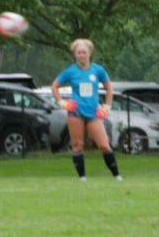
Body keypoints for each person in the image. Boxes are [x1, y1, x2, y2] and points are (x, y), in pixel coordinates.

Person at [51, 39, 122, 182]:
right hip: (76, 112)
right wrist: (62, 102)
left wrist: (107, 106)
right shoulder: (70, 71)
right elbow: (54, 86)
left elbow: (109, 88)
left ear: (90, 53)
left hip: (94, 112)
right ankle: (82, 178)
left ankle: (117, 176)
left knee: (103, 144)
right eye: (78, 53)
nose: (81, 55)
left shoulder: (98, 70)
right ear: (75, 55)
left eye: (84, 52)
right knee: (77, 145)